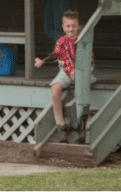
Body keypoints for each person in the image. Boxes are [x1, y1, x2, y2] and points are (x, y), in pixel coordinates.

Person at [34, 9, 95, 142]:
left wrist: (78, 70)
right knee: (55, 88)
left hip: (83, 71)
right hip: (66, 71)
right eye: (68, 26)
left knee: (81, 89)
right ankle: (61, 125)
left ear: (78, 26)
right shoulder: (61, 42)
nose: (71, 29)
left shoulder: (83, 40)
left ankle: (81, 125)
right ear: (63, 27)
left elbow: (89, 61)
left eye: (74, 26)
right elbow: (55, 55)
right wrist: (43, 61)